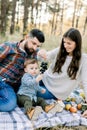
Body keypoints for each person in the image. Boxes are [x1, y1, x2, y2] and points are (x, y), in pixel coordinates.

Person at [37, 28, 87, 115]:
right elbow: (43, 58)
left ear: (77, 43)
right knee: (24, 82)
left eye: (69, 43)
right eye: (64, 42)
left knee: (26, 90)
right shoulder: (60, 50)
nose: (65, 45)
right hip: (44, 79)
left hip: (53, 91)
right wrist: (41, 53)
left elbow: (85, 82)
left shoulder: (83, 59)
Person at [0, 28, 45, 112]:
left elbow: (43, 56)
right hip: (3, 81)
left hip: (20, 84)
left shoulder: (34, 52)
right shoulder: (9, 47)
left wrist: (44, 53)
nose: (35, 48)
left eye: (38, 46)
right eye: (33, 43)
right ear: (26, 37)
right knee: (9, 104)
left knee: (45, 93)